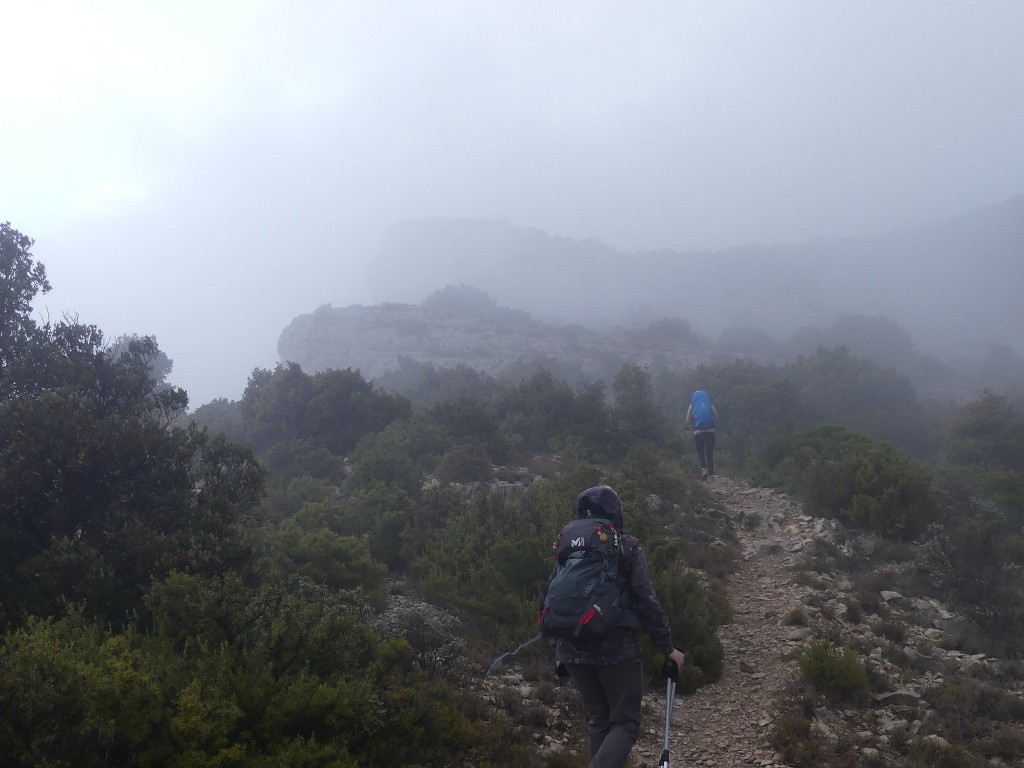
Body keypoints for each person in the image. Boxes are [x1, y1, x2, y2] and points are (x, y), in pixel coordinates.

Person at [552, 485, 685, 768]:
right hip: (616, 650)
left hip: (571, 647)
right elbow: (646, 600)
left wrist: (558, 649)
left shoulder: (568, 544)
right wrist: (667, 647)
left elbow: (556, 597)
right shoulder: (625, 544)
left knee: (599, 719)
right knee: (625, 723)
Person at [684, 389, 719, 480]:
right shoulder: (709, 404)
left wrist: (694, 421)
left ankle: (704, 470)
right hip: (710, 431)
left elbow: (688, 420)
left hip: (698, 432)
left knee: (700, 452)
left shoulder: (692, 406)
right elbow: (716, 415)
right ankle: (711, 475)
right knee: (709, 453)